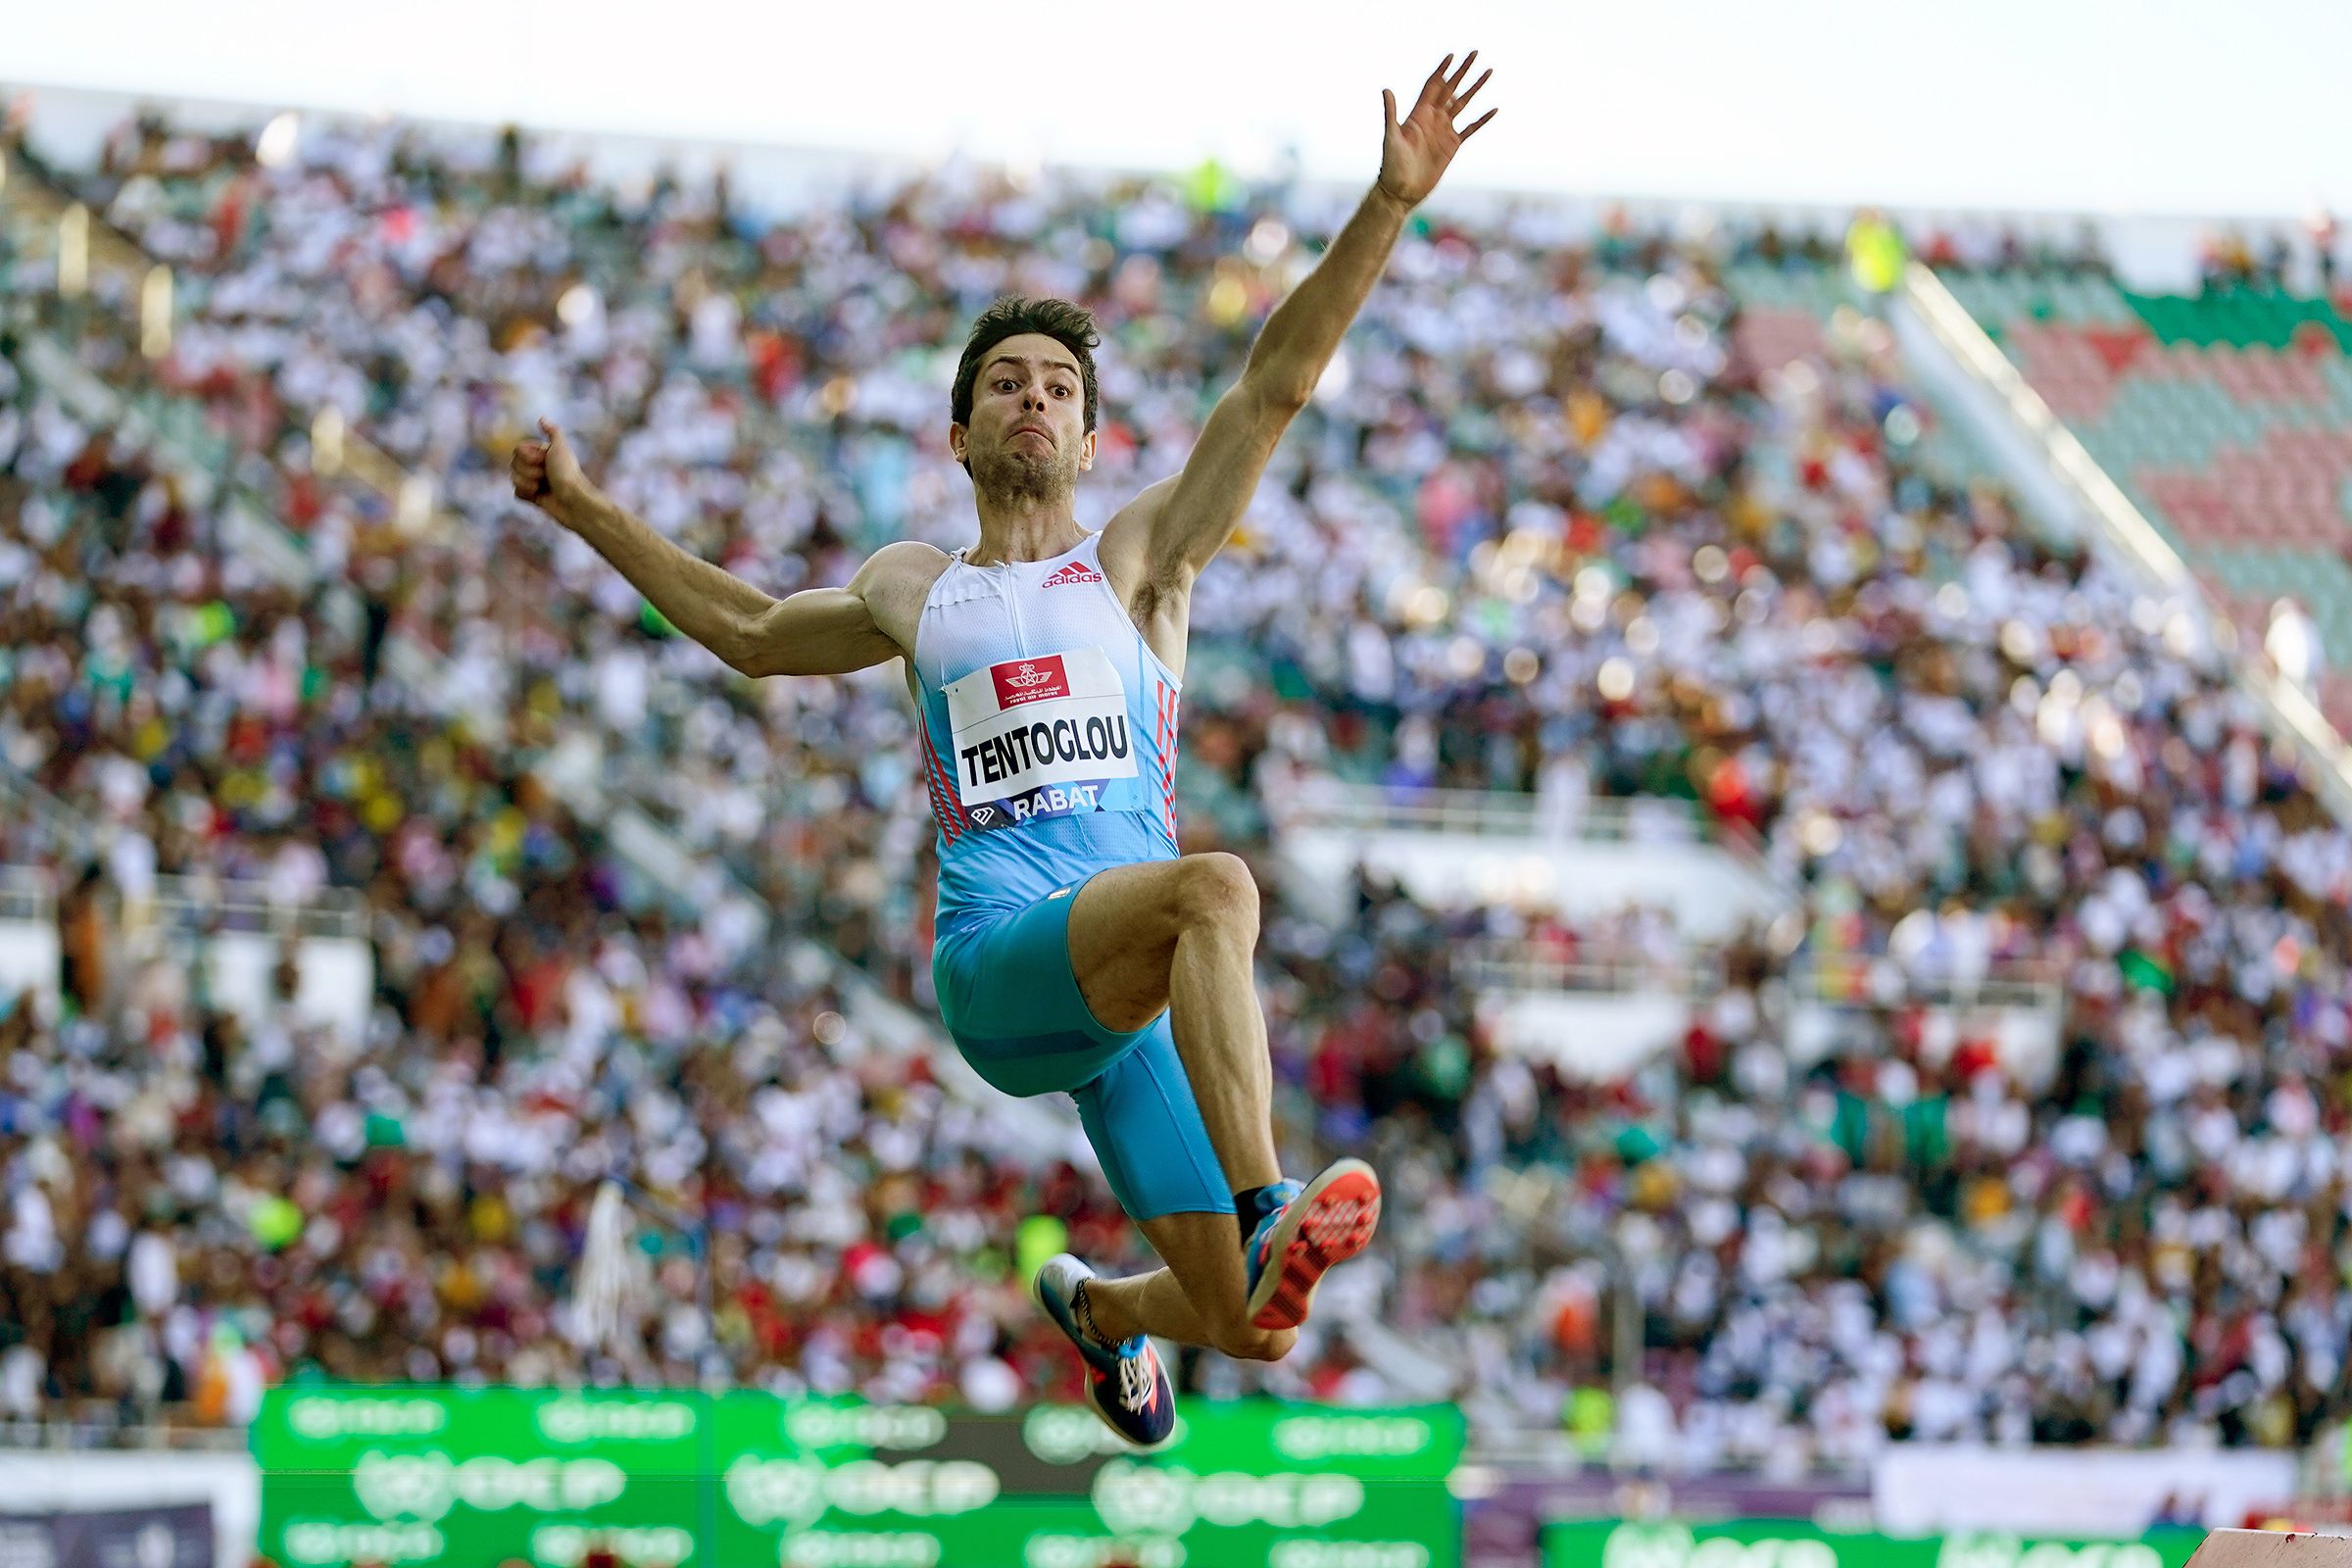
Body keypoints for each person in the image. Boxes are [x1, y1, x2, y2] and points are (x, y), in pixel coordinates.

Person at [512, 51, 1498, 1446]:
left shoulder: (1144, 567)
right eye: (1007, 384)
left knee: (1245, 1326)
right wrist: (583, 508)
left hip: (1134, 1002)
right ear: (962, 428)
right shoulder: (917, 588)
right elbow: (741, 628)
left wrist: (1389, 204)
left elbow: (1270, 391)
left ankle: (1102, 1314)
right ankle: (1270, 1194)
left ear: (1093, 439)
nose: (1035, 400)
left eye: (1058, 387)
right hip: (1004, 962)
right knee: (1217, 887)